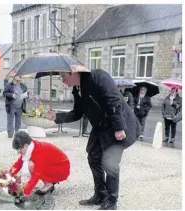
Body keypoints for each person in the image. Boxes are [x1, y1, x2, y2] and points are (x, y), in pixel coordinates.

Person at [50, 69, 140, 210]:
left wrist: (119, 128)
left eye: (63, 76)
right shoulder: (77, 89)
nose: (62, 80)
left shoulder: (98, 77)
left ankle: (111, 202)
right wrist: (56, 117)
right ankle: (100, 195)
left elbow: (114, 100)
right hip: (100, 126)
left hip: (115, 124)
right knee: (93, 157)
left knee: (110, 163)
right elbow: (77, 113)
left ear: (73, 73)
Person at [8, 131, 70, 196]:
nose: (18, 152)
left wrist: (25, 191)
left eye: (19, 149)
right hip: (53, 165)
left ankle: (48, 184)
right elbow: (17, 164)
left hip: (61, 169)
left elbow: (36, 174)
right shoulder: (30, 148)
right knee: (30, 166)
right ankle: (44, 182)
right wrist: (8, 175)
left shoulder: (38, 152)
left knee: (31, 165)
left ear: (26, 145)